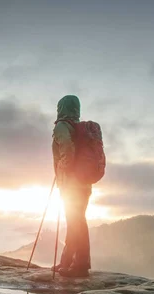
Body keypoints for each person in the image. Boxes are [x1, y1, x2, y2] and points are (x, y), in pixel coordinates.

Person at [52, 95, 91, 277]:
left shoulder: (62, 126)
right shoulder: (79, 128)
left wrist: (62, 168)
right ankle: (79, 264)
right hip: (84, 182)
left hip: (71, 183)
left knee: (74, 222)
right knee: (79, 222)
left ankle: (71, 264)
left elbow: (66, 149)